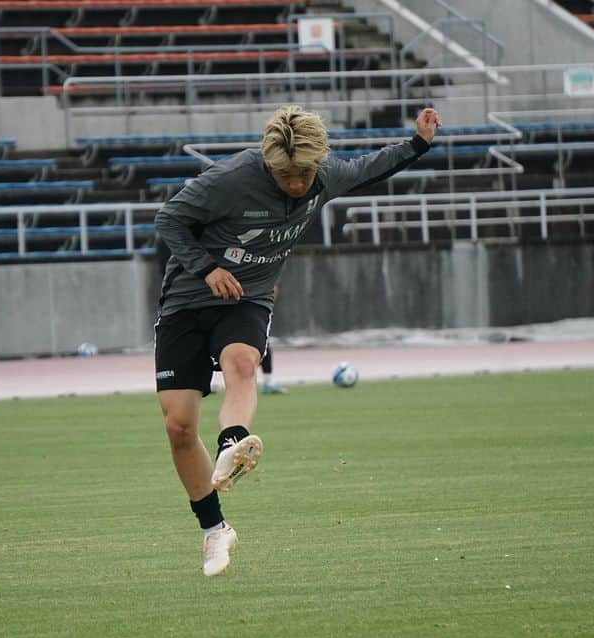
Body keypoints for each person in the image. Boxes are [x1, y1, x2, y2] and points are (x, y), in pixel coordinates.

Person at [154, 104, 441, 576]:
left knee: (242, 364)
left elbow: (371, 169)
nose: (296, 185)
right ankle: (215, 530)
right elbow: (169, 221)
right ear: (269, 164)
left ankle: (234, 442)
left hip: (249, 297)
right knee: (179, 427)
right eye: (285, 176)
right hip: (187, 299)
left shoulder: (323, 174)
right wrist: (207, 269)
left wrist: (419, 143)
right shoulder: (229, 179)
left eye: (303, 175)